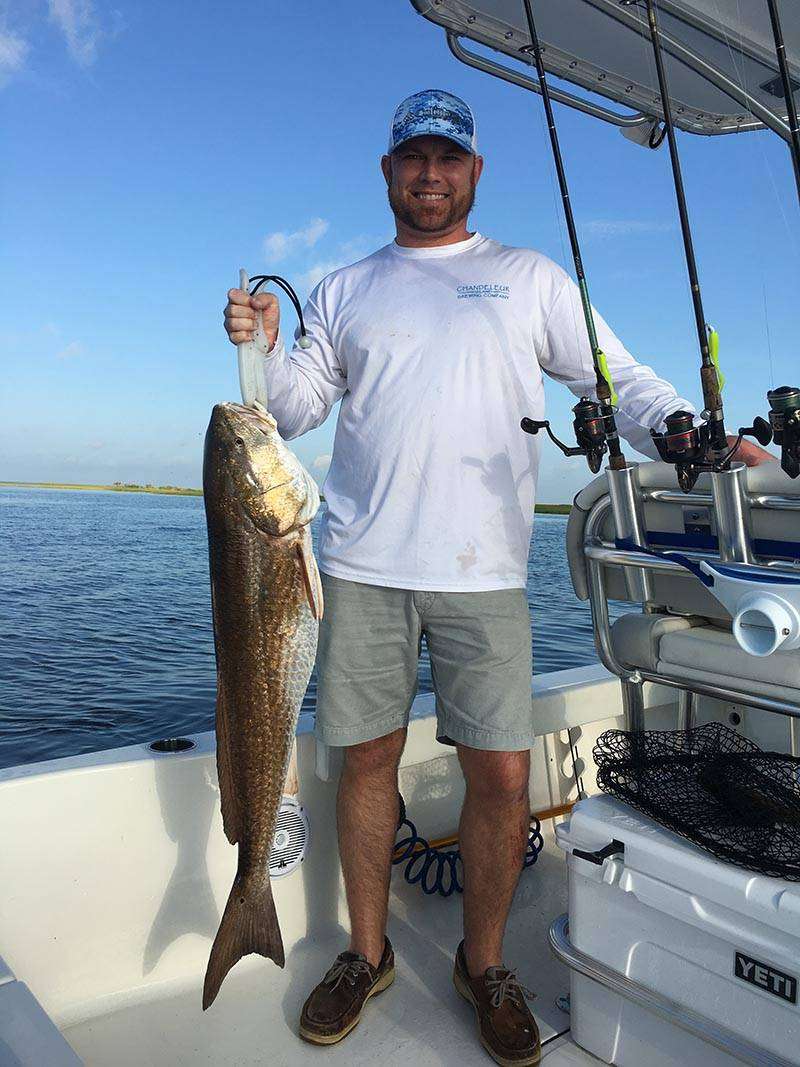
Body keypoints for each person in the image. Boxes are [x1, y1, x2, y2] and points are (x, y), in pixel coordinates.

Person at [223, 89, 772, 1066]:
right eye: (412, 159)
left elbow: (615, 380)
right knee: (364, 761)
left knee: (503, 772)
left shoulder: (527, 278)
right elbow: (294, 409)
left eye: (447, 158)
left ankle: (483, 963)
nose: (429, 175)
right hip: (357, 565)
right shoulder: (346, 287)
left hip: (483, 570)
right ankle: (365, 951)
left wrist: (694, 435)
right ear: (388, 172)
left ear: (474, 171)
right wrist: (261, 349)